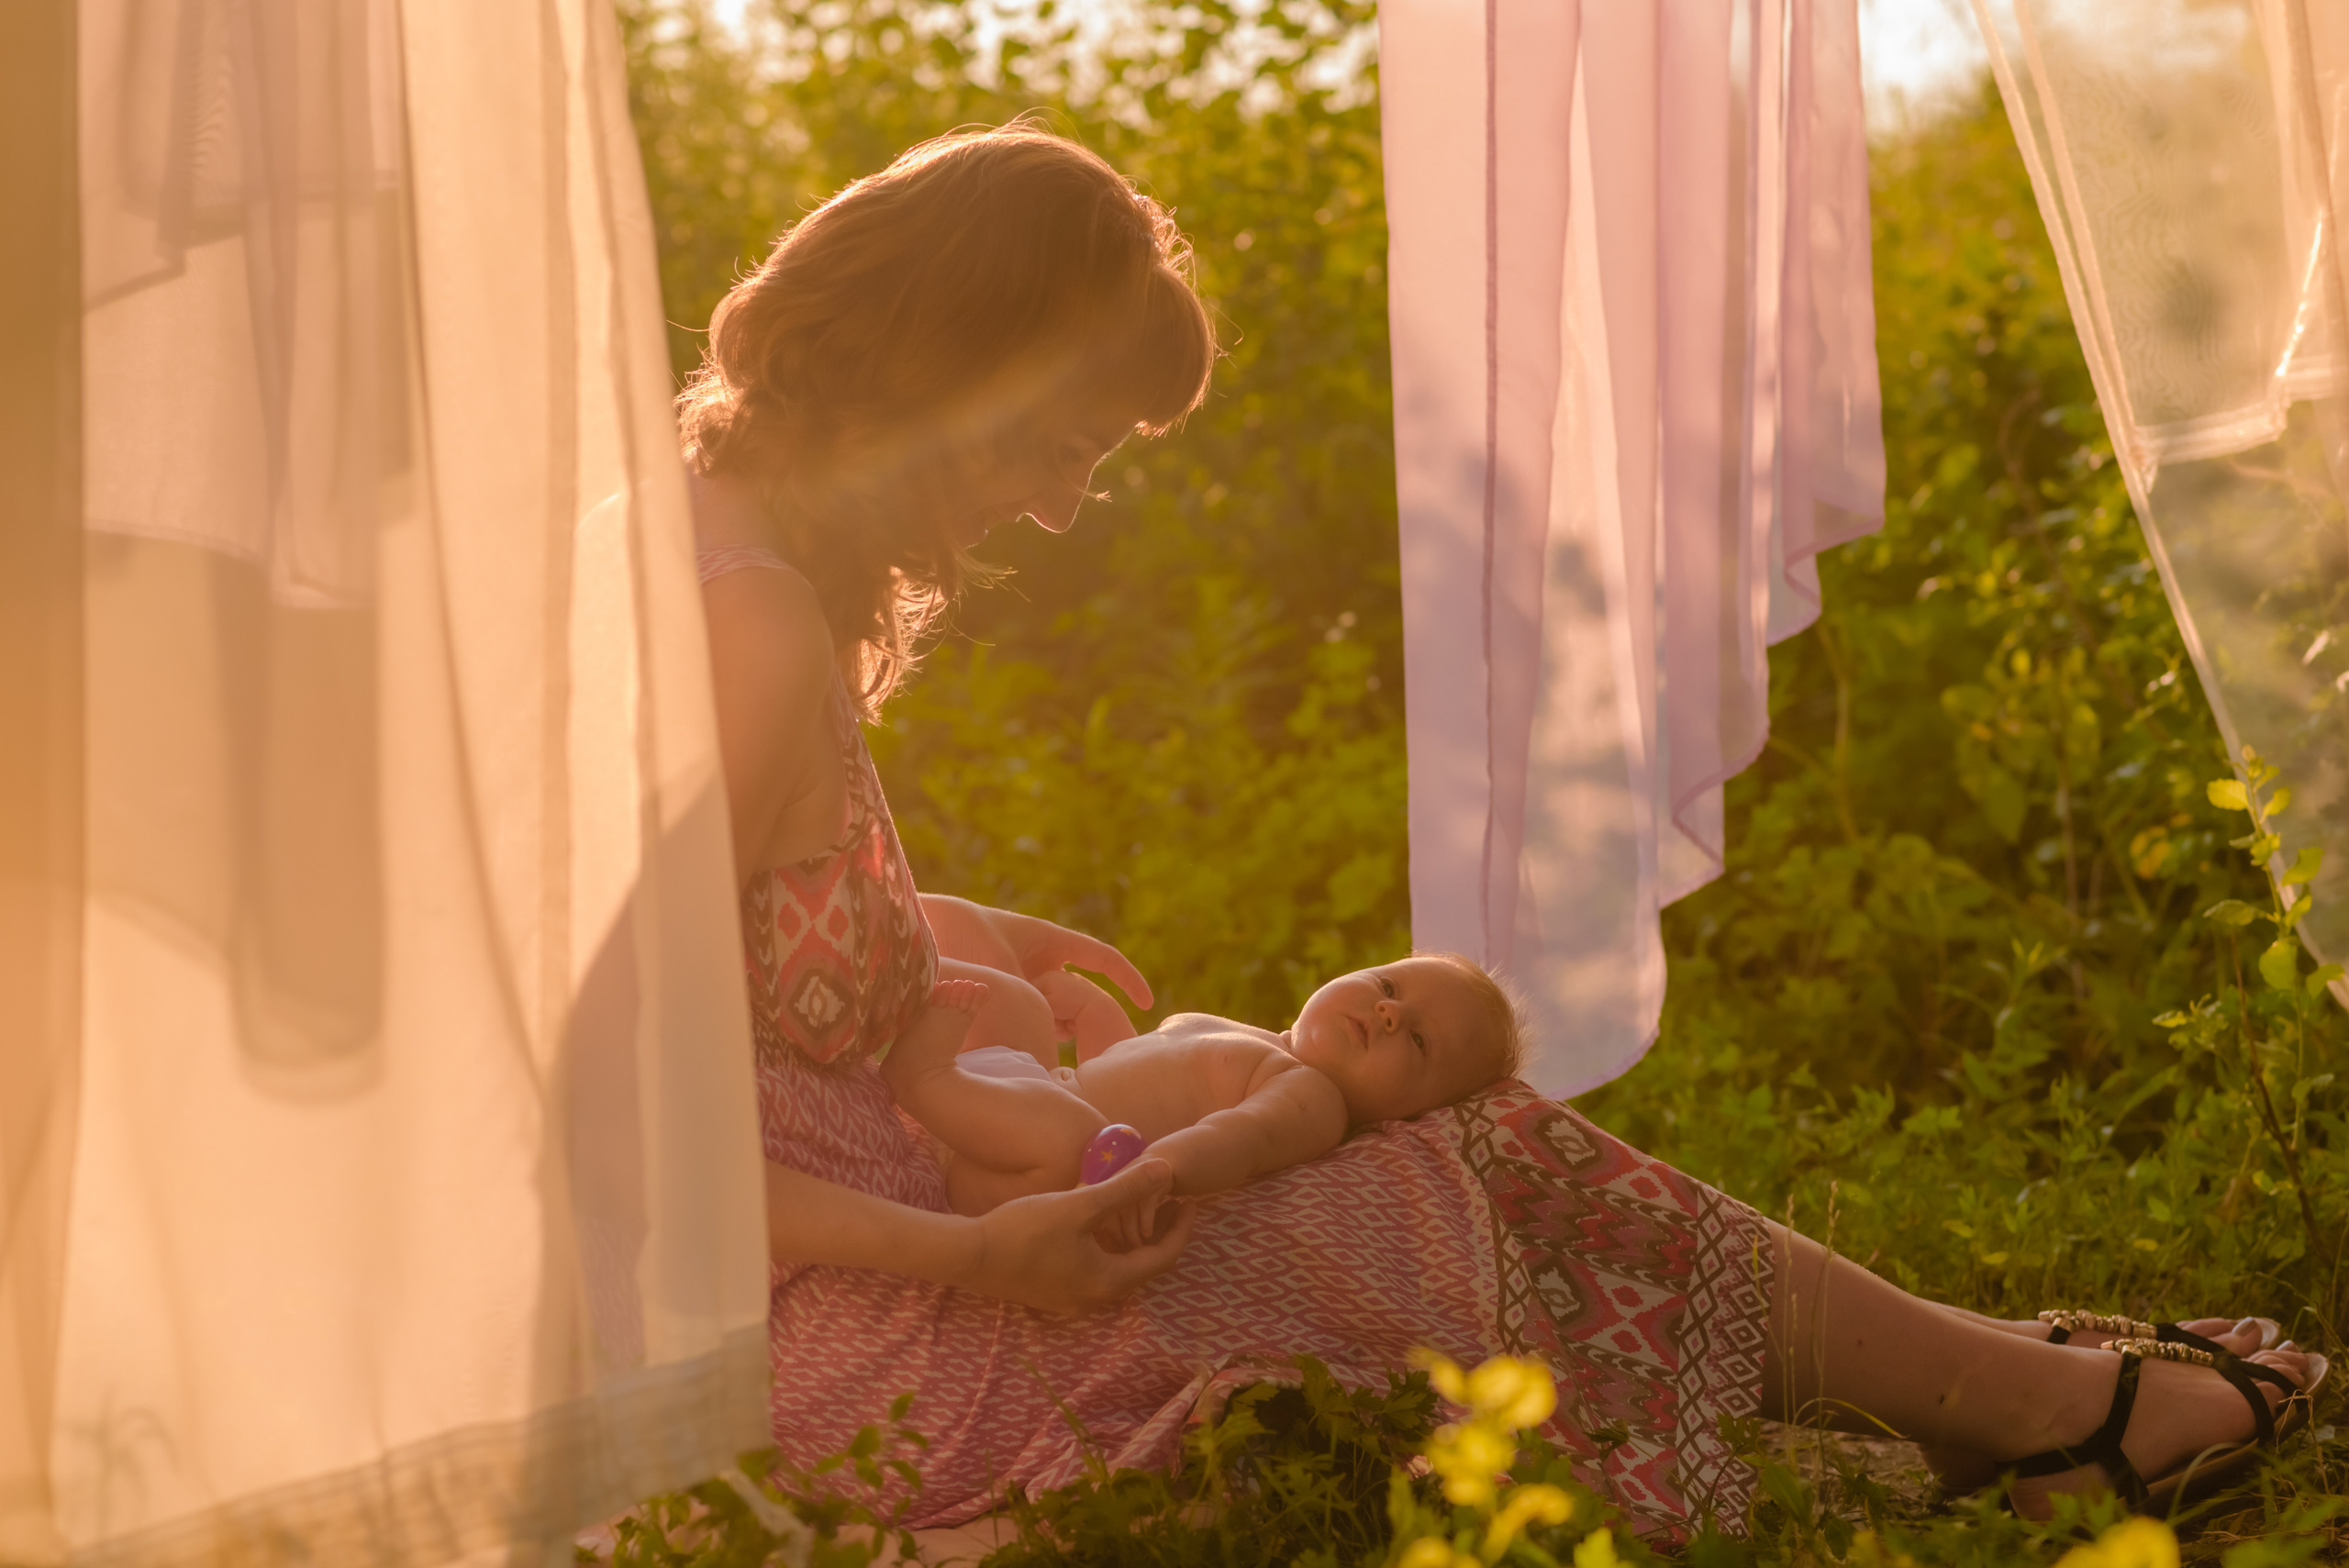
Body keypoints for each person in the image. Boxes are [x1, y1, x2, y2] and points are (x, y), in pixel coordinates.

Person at [682, 122, 2322, 1535]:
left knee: (1353, 1105)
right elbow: (617, 1145)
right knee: (1440, 1159)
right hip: (823, 1339)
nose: (1054, 500)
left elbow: (729, 943)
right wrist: (987, 1263)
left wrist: (927, 916)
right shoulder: (751, 624)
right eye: (1059, 442)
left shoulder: (707, 532)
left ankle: (2007, 1392)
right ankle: (2045, 1411)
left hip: (858, 1256)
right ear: (956, 353)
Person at [885, 952, 1525, 1222]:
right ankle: (888, 968)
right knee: (1018, 1001)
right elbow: (1130, 1065)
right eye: (1388, 987)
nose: (1390, 1013)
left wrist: (1151, 1176)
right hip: (1038, 1090)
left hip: (1033, 1169)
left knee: (1068, 1134)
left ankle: (922, 1076)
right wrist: (1094, 1014)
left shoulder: (1312, 1099)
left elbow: (1235, 1139)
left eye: (1416, 1041)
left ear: (1415, 1114)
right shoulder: (1249, 1035)